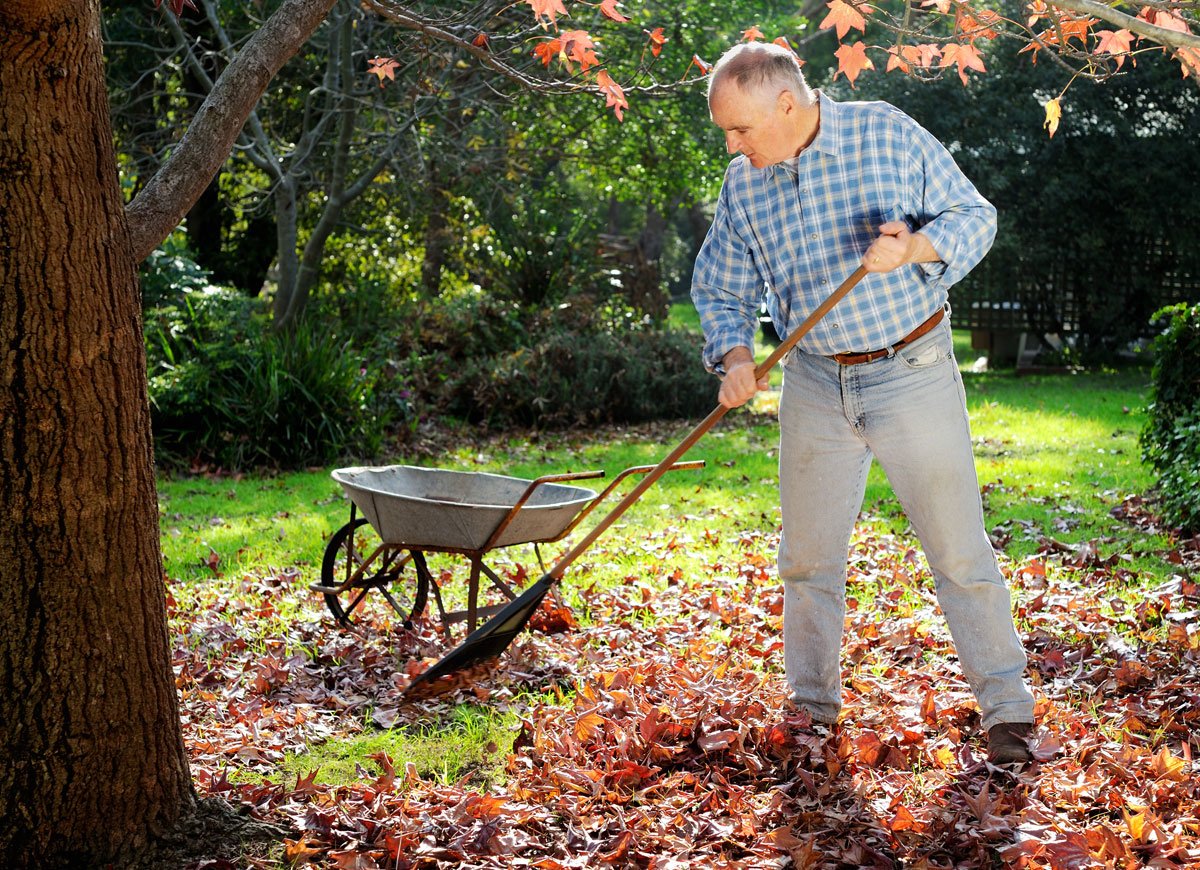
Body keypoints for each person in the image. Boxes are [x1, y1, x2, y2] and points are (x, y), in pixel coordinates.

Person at [690, 42, 1036, 765]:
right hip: (815, 382)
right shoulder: (743, 183)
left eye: (741, 129)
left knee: (958, 551)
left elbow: (974, 215)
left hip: (911, 368)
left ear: (787, 105)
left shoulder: (885, 133)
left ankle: (1007, 711)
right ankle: (812, 710)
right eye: (727, 131)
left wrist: (915, 248)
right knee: (807, 560)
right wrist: (736, 356)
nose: (732, 144)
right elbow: (722, 285)